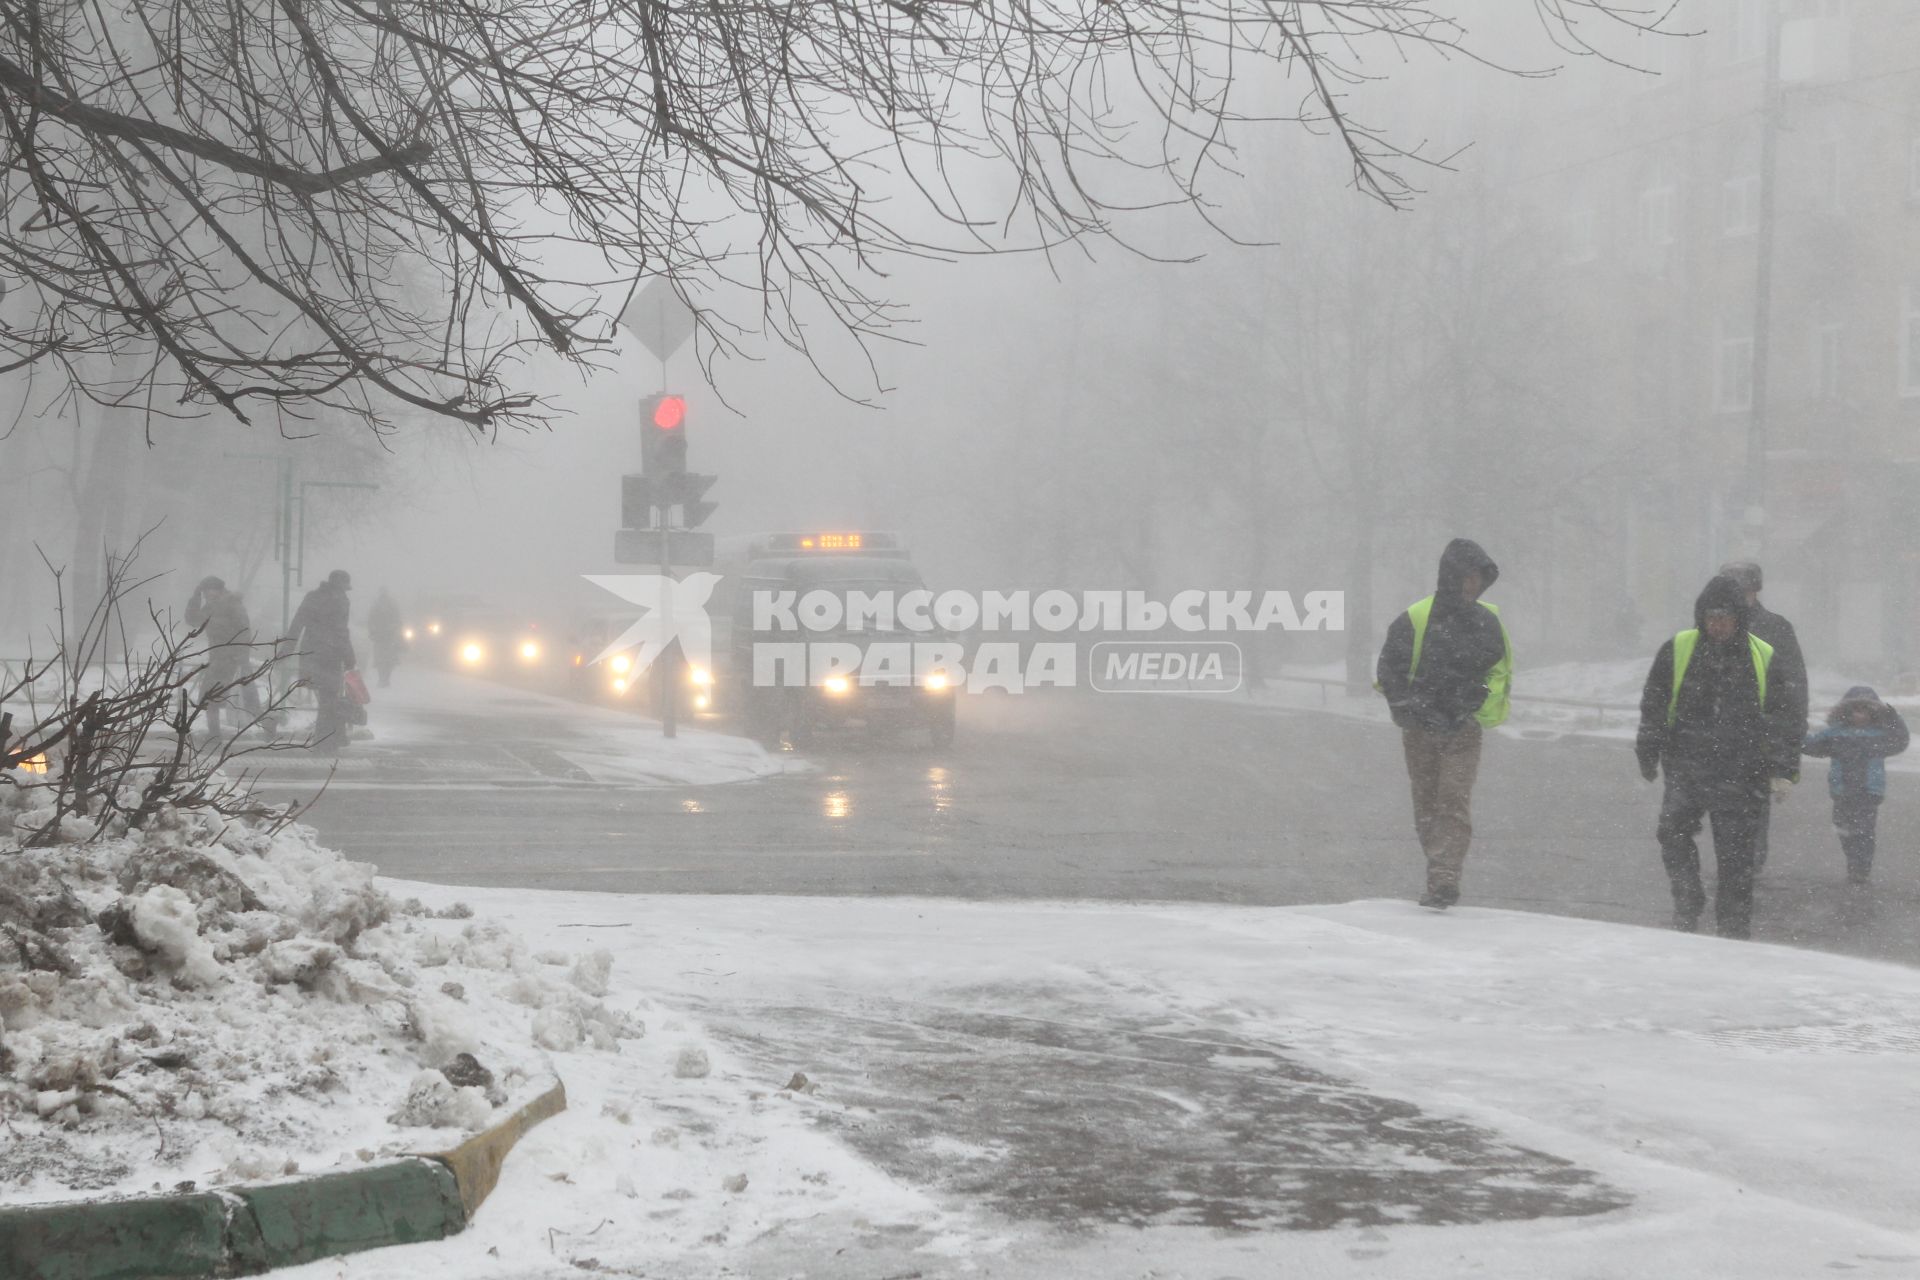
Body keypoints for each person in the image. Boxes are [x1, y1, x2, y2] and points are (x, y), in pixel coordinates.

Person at [1635, 575, 1799, 939]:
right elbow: (1655, 703)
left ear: (1738, 618)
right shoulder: (1678, 648)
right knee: (1672, 834)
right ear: (1701, 616)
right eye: (1711, 617)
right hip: (1687, 765)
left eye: (1724, 617)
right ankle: (1688, 899)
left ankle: (1734, 924)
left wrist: (1784, 769)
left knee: (1736, 855)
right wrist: (1648, 747)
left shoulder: (1762, 655)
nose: (1717, 625)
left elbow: (1782, 716)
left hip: (1742, 771)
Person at [1375, 539, 1513, 910]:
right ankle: (1439, 867)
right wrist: (1408, 707)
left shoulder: (1487, 621)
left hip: (1463, 729)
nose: (1472, 585)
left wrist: (1474, 701)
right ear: (1451, 577)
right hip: (1419, 729)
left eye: (1478, 578)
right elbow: (1390, 667)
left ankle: (1444, 875)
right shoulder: (1416, 618)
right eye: (1467, 577)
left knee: (1452, 799)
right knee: (1427, 804)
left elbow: (1497, 670)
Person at [1718, 561, 1808, 871]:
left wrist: (1785, 763)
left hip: (1758, 746)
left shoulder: (1776, 630)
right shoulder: (1707, 628)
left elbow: (1792, 698)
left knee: (1750, 824)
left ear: (1754, 590)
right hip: (1714, 746)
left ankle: (1743, 885)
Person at [1803, 687, 1909, 886]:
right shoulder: (1836, 734)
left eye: (1865, 710)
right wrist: (1796, 728)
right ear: (1846, 711)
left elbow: (1901, 740)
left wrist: (1895, 719)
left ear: (1873, 713)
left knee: (1865, 831)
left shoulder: (1880, 736)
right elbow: (1810, 745)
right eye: (1855, 710)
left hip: (1868, 792)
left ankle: (1861, 868)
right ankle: (1854, 861)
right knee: (1844, 829)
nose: (1859, 715)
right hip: (1842, 792)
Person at [289, 569, 357, 754]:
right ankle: (327, 741)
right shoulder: (341, 602)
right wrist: (349, 657)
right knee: (329, 699)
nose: (344, 591)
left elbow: (297, 622)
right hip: (331, 657)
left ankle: (325, 740)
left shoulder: (313, 597)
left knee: (326, 700)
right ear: (339, 586)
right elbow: (342, 632)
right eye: (344, 588)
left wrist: (287, 648)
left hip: (312, 654)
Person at [186, 576, 261, 739]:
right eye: (204, 592)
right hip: (218, 660)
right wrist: (195, 596)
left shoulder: (233, 605)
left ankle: (268, 723)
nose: (206, 595)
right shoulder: (211, 607)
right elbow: (192, 620)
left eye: (207, 591)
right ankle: (214, 734)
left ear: (217, 590)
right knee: (211, 698)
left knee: (239, 699)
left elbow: (244, 631)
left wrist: (240, 657)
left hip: (232, 660)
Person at [368, 588, 405, 688]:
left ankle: (384, 679)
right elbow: (398, 620)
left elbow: (371, 620)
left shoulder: (378, 605)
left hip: (385, 637)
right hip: (385, 637)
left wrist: (373, 631)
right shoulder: (383, 605)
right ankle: (384, 679)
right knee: (387, 660)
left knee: (384, 660)